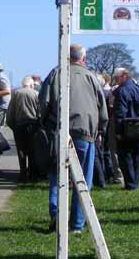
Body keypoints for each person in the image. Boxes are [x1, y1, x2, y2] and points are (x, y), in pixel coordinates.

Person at [41, 43, 108, 233]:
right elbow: (102, 110)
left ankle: (56, 214)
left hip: (59, 131)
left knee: (56, 175)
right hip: (85, 133)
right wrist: (100, 130)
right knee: (83, 181)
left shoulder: (56, 74)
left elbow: (44, 103)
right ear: (83, 58)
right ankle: (77, 224)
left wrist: (46, 123)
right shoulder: (92, 77)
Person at [112, 67, 139, 190]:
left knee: (126, 157)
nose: (115, 80)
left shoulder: (121, 91)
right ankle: (135, 181)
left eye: (116, 77)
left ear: (124, 76)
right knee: (137, 157)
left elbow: (120, 113)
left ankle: (130, 183)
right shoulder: (138, 89)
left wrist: (118, 131)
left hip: (128, 129)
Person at [6, 75, 45, 182]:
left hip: (19, 125)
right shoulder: (36, 94)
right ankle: (33, 175)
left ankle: (23, 174)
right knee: (33, 150)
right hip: (33, 125)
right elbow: (40, 112)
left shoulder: (16, 94)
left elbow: (10, 112)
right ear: (32, 85)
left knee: (21, 151)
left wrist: (12, 125)